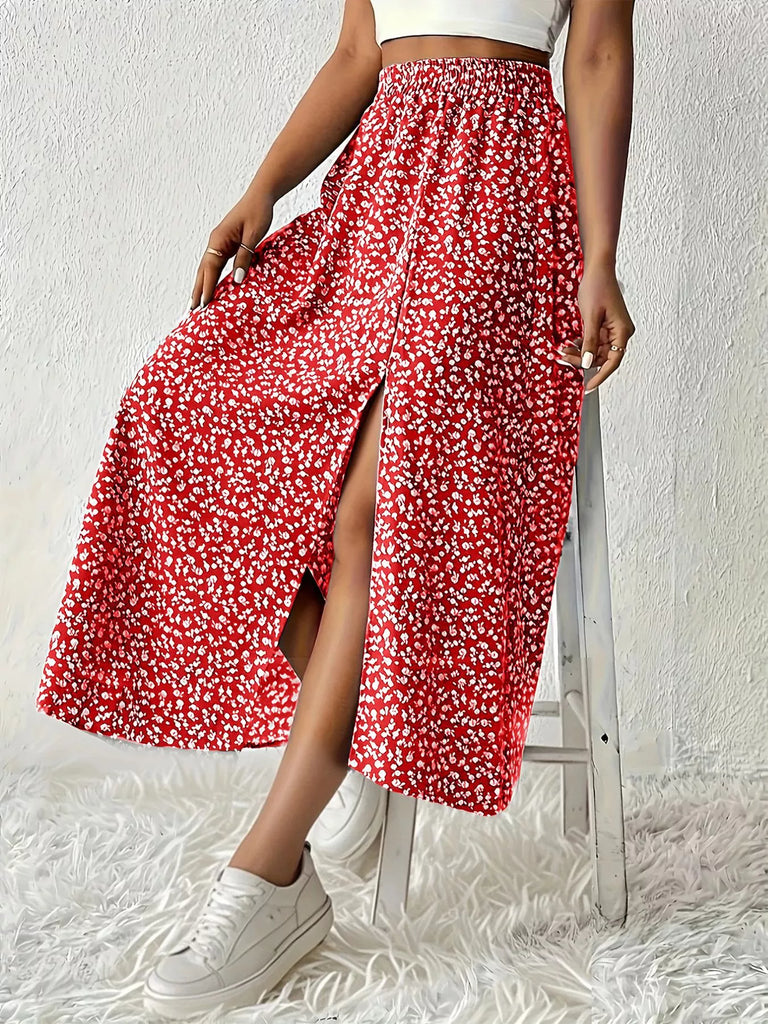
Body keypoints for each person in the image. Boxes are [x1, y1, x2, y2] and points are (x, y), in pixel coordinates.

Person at [35, 0, 636, 1016]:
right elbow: (359, 52)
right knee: (174, 404)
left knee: (371, 505)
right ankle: (354, 720)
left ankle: (271, 872)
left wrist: (600, 257)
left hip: (502, 201)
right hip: (376, 199)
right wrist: (263, 187)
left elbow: (600, 52)